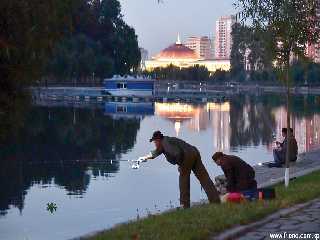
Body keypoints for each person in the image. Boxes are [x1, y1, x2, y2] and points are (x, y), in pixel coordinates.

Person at [139, 131, 220, 208]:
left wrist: (181, 164)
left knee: (183, 181)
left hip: (186, 156)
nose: (155, 144)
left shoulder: (165, 143)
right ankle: (216, 201)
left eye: (155, 142)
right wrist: (143, 158)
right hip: (194, 152)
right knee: (204, 178)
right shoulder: (167, 141)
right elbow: (155, 153)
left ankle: (184, 206)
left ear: (158, 140)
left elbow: (177, 153)